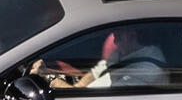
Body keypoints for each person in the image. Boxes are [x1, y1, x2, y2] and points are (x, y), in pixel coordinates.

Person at [31, 26, 169, 90]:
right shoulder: (125, 51)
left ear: (132, 34)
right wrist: (77, 87)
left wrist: (49, 79)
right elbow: (97, 71)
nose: (114, 41)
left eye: (118, 35)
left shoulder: (146, 70)